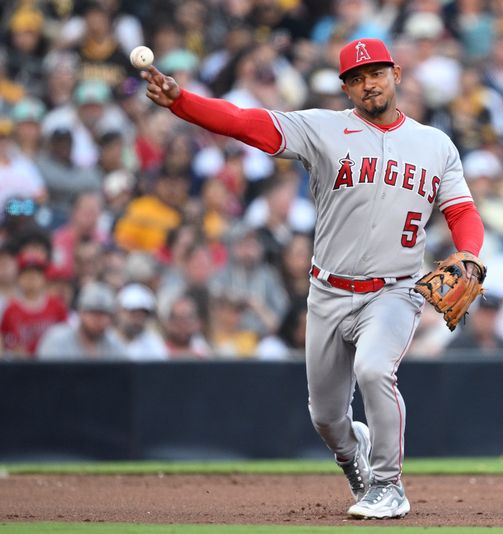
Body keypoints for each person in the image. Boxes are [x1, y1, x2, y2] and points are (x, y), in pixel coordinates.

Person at [142, 36, 485, 520]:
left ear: (397, 76)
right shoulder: (322, 129)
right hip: (328, 290)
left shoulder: (435, 144)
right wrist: (182, 102)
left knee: (373, 370)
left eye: (377, 73)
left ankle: (388, 485)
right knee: (326, 418)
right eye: (357, 78)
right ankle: (354, 457)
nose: (369, 84)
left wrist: (469, 252)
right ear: (346, 88)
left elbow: (462, 210)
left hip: (395, 290)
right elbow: (247, 123)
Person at [0, 251, 68, 358]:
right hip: (21, 367)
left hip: (53, 365)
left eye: (36, 273)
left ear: (43, 277)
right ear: (19, 278)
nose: (31, 277)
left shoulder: (57, 305)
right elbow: (3, 340)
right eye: (26, 273)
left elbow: (66, 337)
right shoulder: (10, 309)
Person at [37, 281, 127, 360]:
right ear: (81, 313)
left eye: (104, 314)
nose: (98, 319)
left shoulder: (115, 344)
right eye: (93, 313)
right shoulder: (57, 339)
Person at [116, 283, 168, 361]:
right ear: (120, 312)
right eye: (133, 314)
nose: (137, 320)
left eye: (142, 315)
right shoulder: (106, 339)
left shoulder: (153, 343)